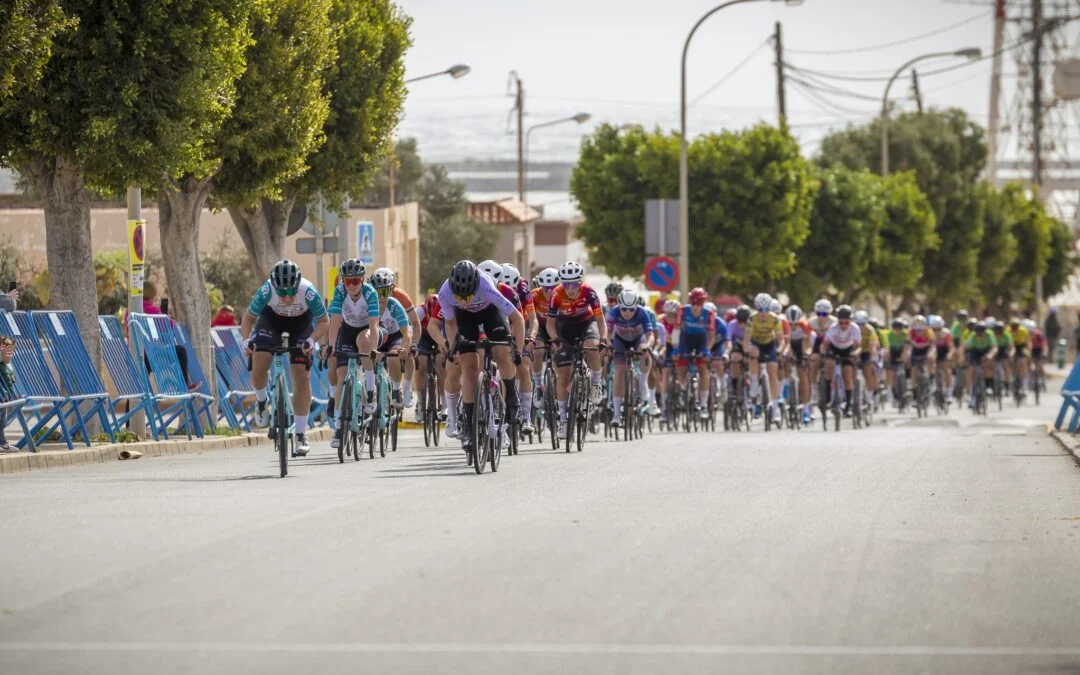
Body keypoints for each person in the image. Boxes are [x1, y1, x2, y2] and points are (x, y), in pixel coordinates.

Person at [241, 259, 328, 456]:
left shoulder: (308, 291)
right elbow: (248, 318)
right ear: (274, 286)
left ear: (298, 285)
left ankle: (300, 434)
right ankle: (262, 401)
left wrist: (313, 340)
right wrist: (245, 341)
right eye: (282, 292)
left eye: (291, 291)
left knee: (302, 377)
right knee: (259, 359)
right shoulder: (266, 291)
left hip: (301, 325)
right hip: (272, 321)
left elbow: (324, 321)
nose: (287, 297)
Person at [124, 280, 198, 391]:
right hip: (151, 354)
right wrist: (166, 316)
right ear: (152, 295)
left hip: (134, 354)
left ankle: (129, 408)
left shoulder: (130, 310)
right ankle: (184, 385)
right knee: (181, 351)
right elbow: (169, 328)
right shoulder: (151, 309)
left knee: (138, 390)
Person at [0, 335, 16, 452]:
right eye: (8, 352)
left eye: (12, 352)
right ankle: (3, 442)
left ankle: (3, 442)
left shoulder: (6, 366)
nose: (11, 355)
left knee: (2, 422)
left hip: (4, 397)